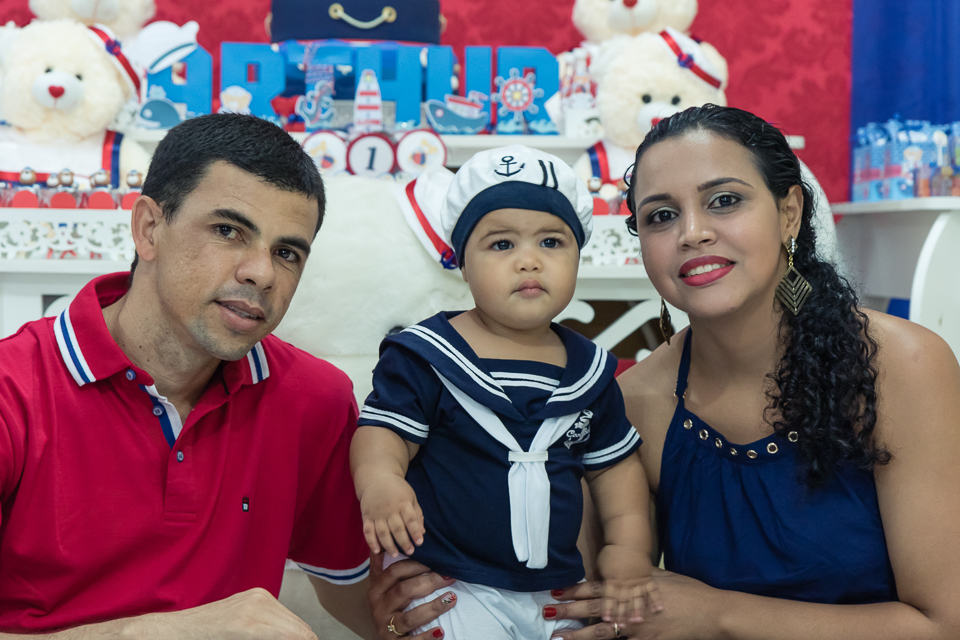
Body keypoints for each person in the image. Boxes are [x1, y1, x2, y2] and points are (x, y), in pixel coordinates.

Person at [367, 105, 960, 640]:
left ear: (789, 212)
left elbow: (944, 623)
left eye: (724, 201)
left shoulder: (899, 367)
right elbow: (577, 597)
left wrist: (718, 615)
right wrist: (431, 599)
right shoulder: (631, 401)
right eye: (661, 216)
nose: (692, 232)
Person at [0, 113, 376, 640]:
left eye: (286, 252)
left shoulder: (315, 400)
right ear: (149, 229)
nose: (262, 273)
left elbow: (364, 599)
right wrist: (158, 634)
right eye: (228, 231)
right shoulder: (13, 390)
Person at [351, 145, 658, 639]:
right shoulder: (427, 354)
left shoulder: (591, 371)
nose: (529, 261)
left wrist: (627, 550)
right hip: (454, 579)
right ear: (462, 264)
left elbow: (616, 471)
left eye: (552, 242)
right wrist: (381, 482)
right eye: (501, 245)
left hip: (556, 586)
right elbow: (383, 432)